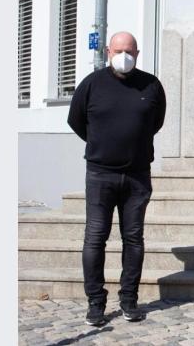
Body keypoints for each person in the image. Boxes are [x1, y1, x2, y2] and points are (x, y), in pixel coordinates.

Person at [67, 31, 166, 326]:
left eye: (130, 51)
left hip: (137, 176)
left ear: (137, 53)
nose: (124, 55)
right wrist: (102, 145)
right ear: (109, 52)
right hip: (100, 174)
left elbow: (155, 121)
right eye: (118, 50)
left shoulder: (151, 84)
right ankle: (96, 303)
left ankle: (129, 300)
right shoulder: (92, 84)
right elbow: (76, 120)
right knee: (95, 239)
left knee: (133, 239)